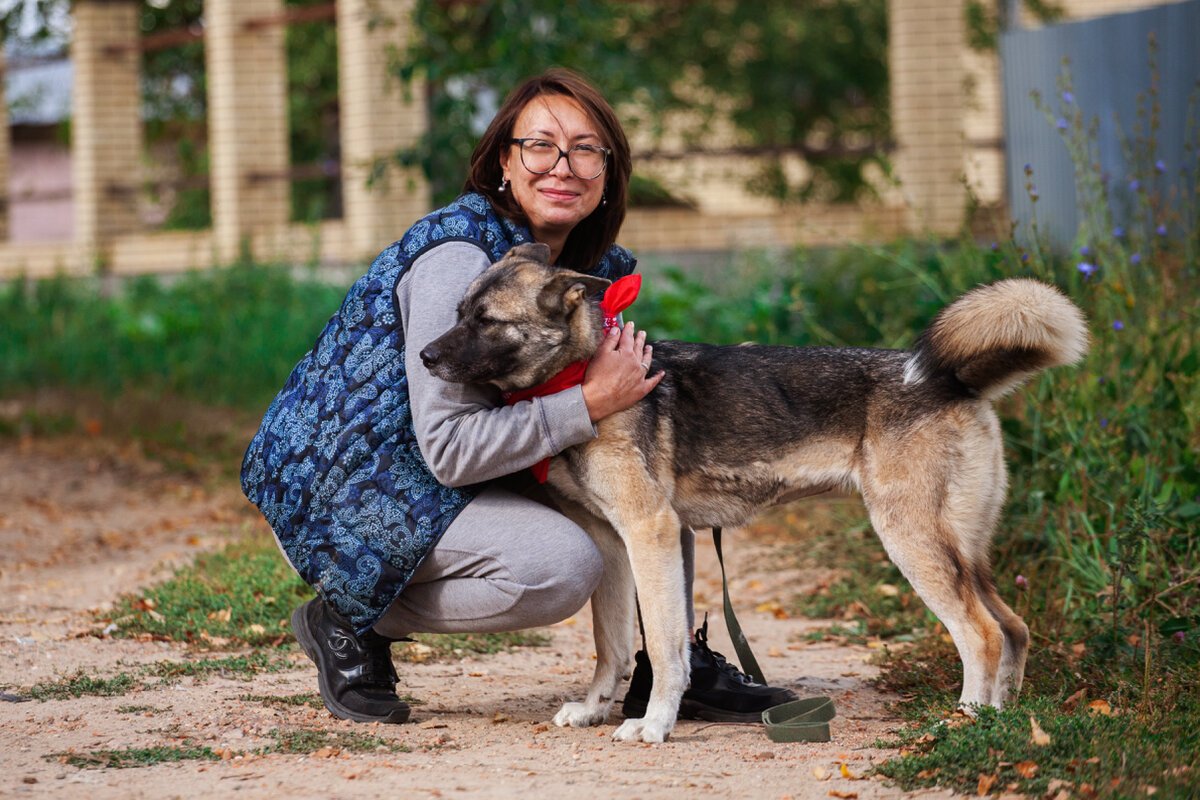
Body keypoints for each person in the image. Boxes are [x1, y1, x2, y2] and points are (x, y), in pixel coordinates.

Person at [240, 68, 796, 726]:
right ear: (505, 161)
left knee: (642, 470)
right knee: (558, 565)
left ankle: (666, 660)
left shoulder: (582, 266)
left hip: (446, 482)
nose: (563, 165)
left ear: (609, 170)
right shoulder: (461, 258)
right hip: (352, 489)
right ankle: (350, 613)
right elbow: (448, 451)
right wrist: (587, 404)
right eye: (540, 145)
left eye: (587, 148)